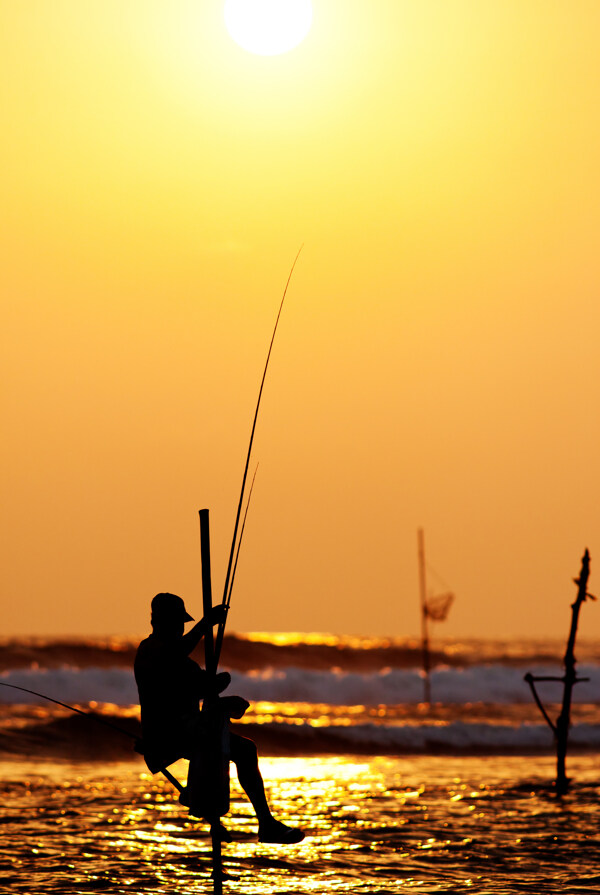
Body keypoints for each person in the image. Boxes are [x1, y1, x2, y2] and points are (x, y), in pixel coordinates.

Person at [134, 592, 304, 844]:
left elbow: (204, 687)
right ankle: (257, 821)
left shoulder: (182, 661)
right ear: (158, 622)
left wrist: (222, 690)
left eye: (182, 623)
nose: (180, 627)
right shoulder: (150, 651)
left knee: (242, 747)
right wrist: (205, 624)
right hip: (166, 736)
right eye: (175, 622)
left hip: (190, 732)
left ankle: (231, 814)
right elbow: (171, 658)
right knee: (233, 745)